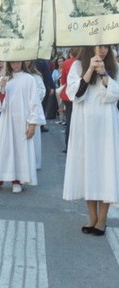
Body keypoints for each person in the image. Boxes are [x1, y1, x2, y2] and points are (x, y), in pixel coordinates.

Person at [63, 45, 119, 236]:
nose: (102, 50)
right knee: (88, 168)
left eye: (106, 46)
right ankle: (92, 216)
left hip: (106, 124)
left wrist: (104, 74)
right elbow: (74, 94)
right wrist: (89, 70)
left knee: (105, 169)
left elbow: (115, 94)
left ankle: (102, 218)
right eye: (98, 46)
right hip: (84, 124)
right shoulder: (78, 66)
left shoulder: (114, 67)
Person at [0, 61, 45, 193]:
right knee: (4, 148)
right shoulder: (4, 78)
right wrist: (1, 88)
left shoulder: (29, 79)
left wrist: (33, 124)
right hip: (7, 120)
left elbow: (34, 102)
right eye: (12, 62)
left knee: (20, 150)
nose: (15, 64)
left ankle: (17, 180)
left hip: (23, 120)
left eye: (18, 61)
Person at [25, 61, 46, 170]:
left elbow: (42, 91)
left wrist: (31, 98)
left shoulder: (36, 76)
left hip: (33, 109)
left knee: (34, 139)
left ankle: (34, 163)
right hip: (21, 111)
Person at [60, 48, 80, 153]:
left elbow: (63, 80)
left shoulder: (67, 63)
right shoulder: (82, 63)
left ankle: (68, 146)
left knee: (69, 121)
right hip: (79, 95)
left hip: (68, 96)